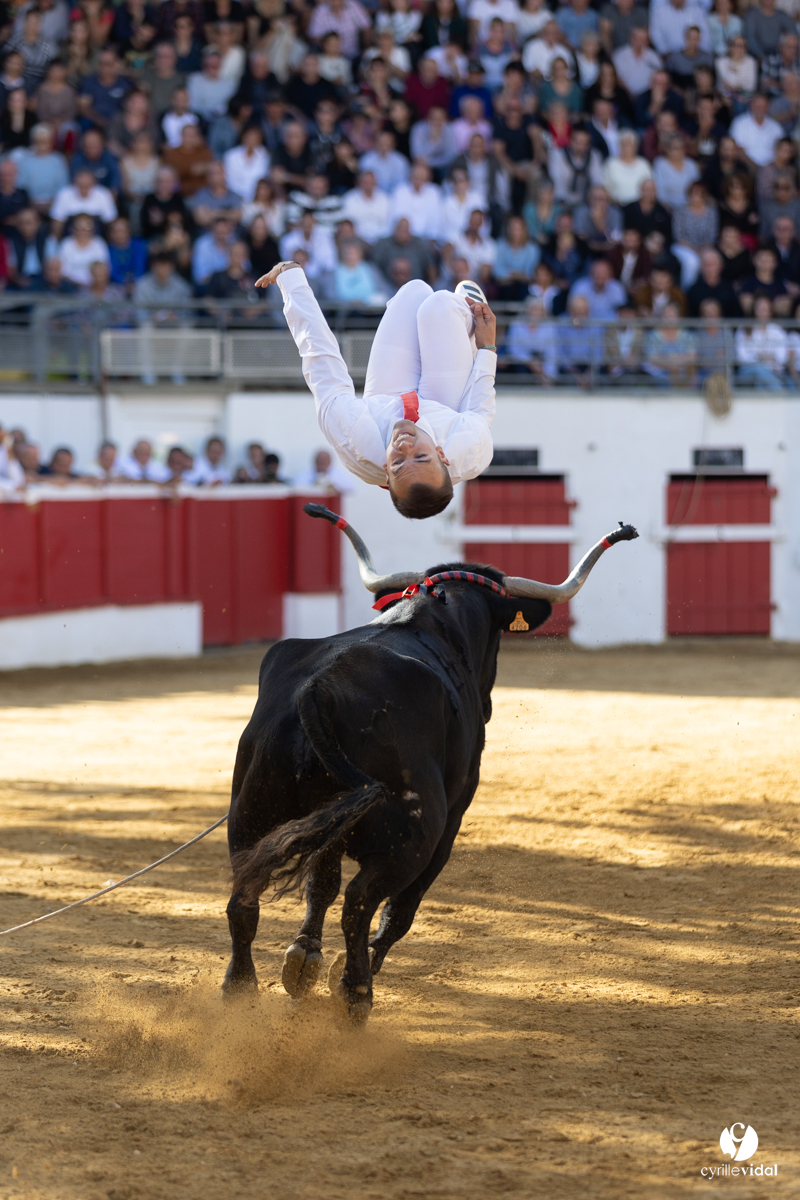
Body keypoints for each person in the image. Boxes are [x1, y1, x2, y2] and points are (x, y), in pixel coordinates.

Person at [257, 260, 497, 518]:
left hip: (385, 400)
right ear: (442, 454)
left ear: (385, 469)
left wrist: (291, 280)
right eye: (420, 457)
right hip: (446, 408)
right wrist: (487, 347)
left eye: (398, 463)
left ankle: (451, 323)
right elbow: (479, 407)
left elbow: (320, 359)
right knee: (440, 306)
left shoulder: (353, 437)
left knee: (414, 291)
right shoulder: (470, 448)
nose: (405, 447)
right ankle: (465, 321)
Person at [735, 293, 787, 387]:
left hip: (773, 372)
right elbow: (741, 358)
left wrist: (758, 356)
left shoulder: (777, 330)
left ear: (770, 312)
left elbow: (782, 358)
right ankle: (780, 395)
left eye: (766, 309)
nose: (763, 312)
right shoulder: (744, 329)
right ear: (754, 310)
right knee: (759, 369)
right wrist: (765, 358)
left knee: (761, 381)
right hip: (747, 372)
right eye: (760, 309)